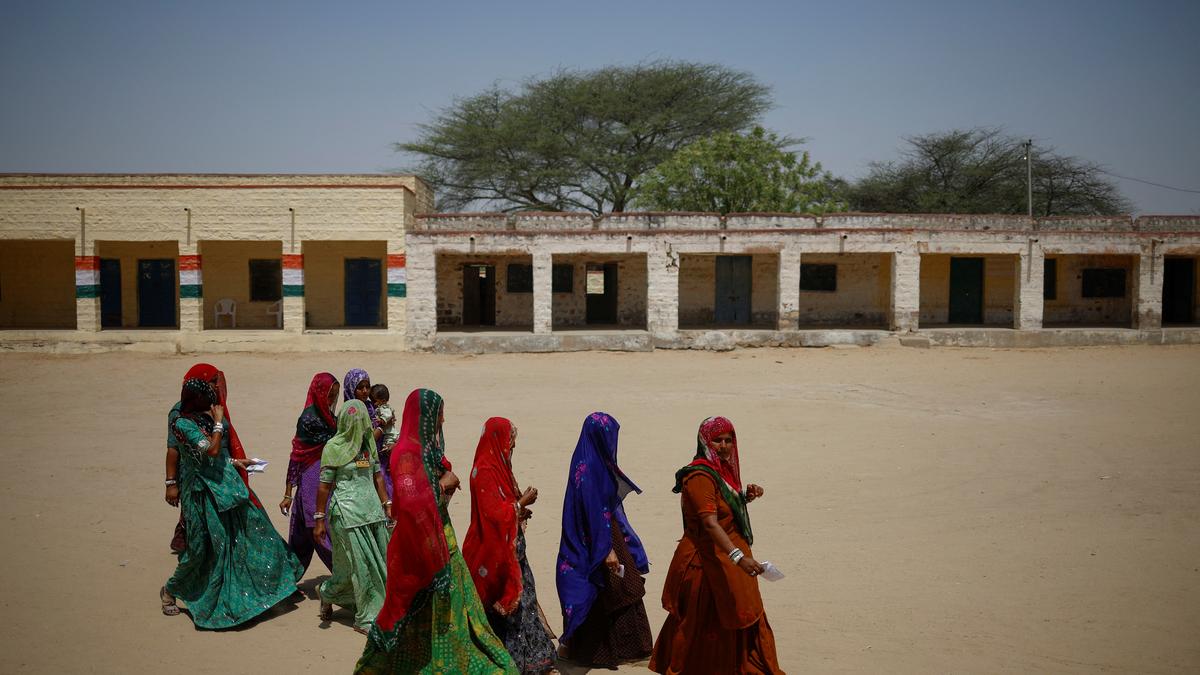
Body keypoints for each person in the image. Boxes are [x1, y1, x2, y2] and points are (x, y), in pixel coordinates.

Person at [356, 389, 517, 674]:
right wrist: (443, 485)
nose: (442, 420)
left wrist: (443, 483)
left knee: (453, 614)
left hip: (443, 544)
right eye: (438, 415)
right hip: (419, 549)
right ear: (424, 417)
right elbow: (411, 505)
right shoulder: (406, 456)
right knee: (414, 611)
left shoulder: (427, 452)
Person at [160, 378, 303, 629]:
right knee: (200, 549)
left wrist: (238, 463)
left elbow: (217, 458)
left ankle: (263, 592)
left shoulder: (202, 419)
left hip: (225, 490)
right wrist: (217, 420)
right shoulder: (182, 424)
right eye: (208, 400)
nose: (213, 404)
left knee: (252, 536)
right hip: (201, 496)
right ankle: (170, 590)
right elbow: (211, 451)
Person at [648, 416, 784, 674]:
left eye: (728, 440)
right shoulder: (700, 475)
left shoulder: (721, 470)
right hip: (707, 564)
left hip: (728, 559)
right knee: (703, 619)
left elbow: (721, 508)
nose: (723, 446)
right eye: (717, 440)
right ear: (704, 441)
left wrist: (745, 497)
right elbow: (710, 523)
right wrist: (738, 557)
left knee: (738, 611)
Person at [555, 412, 653, 668]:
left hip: (605, 534)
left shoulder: (593, 461)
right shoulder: (588, 470)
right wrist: (606, 549)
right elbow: (591, 512)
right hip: (598, 539)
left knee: (615, 589)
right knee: (618, 588)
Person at [463, 418, 557, 674]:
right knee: (506, 610)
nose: (511, 449)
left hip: (512, 553)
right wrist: (520, 504)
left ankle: (532, 661)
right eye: (509, 444)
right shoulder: (484, 471)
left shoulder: (497, 467)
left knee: (524, 605)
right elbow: (492, 516)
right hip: (492, 557)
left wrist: (519, 510)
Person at [312, 399, 392, 634]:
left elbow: (377, 476)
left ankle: (328, 592)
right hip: (346, 515)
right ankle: (366, 616)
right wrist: (319, 520)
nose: (359, 427)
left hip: (372, 514)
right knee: (358, 567)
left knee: (378, 565)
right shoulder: (334, 447)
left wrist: (386, 504)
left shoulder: (368, 443)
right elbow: (324, 486)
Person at [165, 363, 257, 552]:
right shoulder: (181, 415)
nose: (216, 385)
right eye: (212, 381)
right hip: (198, 475)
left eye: (217, 381)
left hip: (222, 469)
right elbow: (174, 449)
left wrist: (233, 462)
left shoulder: (214, 406)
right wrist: (171, 483)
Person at [281, 372, 338, 573]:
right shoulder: (308, 419)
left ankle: (289, 577)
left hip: (325, 479)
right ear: (319, 394)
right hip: (311, 482)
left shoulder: (330, 416)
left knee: (301, 534)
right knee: (318, 532)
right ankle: (343, 577)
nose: (332, 401)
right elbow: (297, 455)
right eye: (329, 396)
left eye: (335, 396)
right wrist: (288, 493)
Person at [371, 383, 399, 497]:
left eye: (375, 400)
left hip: (390, 436)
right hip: (388, 435)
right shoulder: (378, 407)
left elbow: (387, 417)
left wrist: (381, 422)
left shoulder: (384, 408)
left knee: (387, 451)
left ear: (382, 400)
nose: (374, 403)